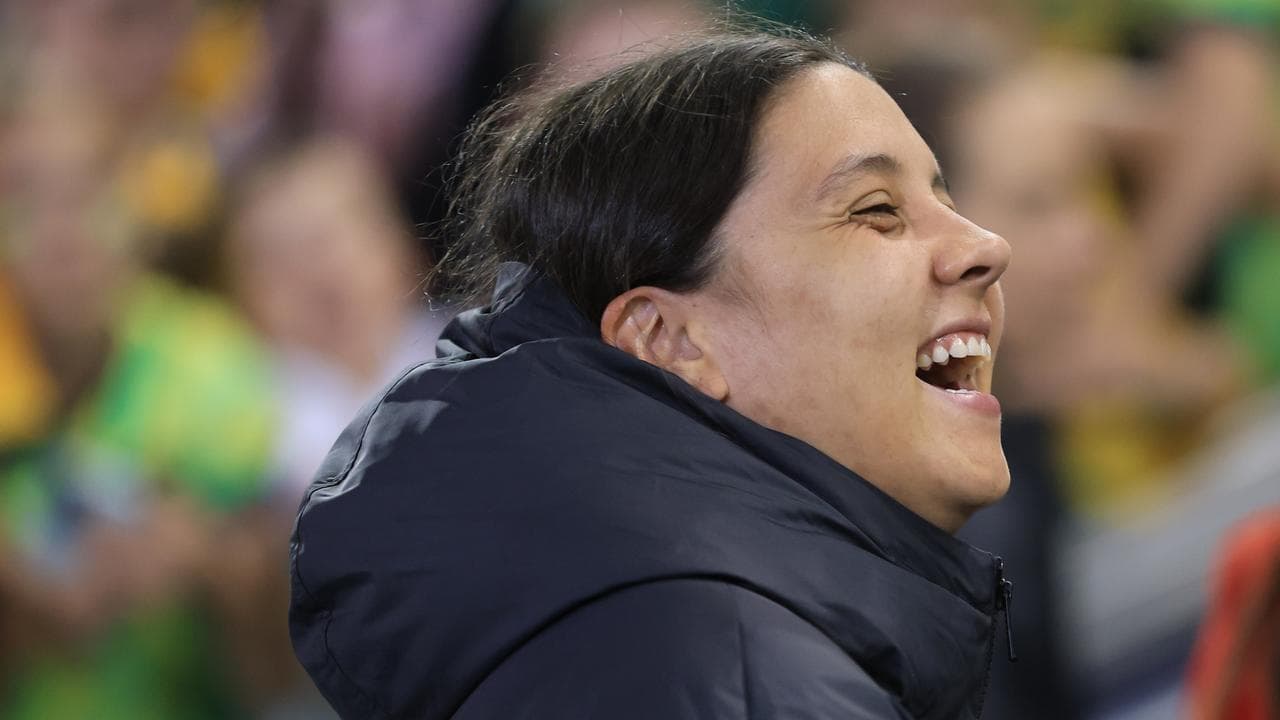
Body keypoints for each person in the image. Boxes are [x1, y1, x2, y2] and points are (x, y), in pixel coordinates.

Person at [290, 29, 1015, 719]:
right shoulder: (734, 679)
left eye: (946, 202)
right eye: (877, 211)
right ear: (668, 340)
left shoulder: (675, 641)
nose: (985, 247)